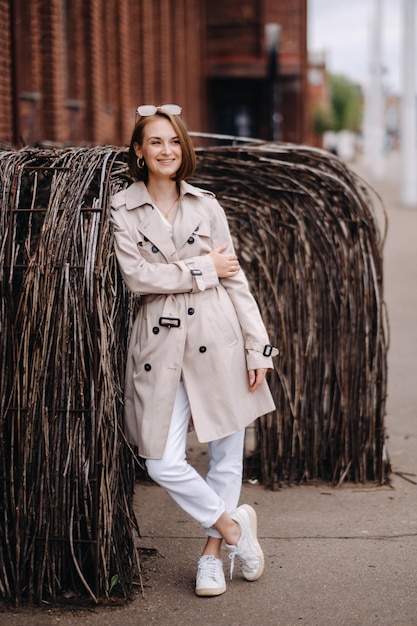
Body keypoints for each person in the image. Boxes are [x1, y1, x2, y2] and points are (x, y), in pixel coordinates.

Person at [111, 104, 278, 597]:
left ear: (184, 148)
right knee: (161, 459)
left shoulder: (206, 204)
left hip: (219, 335)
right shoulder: (123, 207)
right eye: (155, 142)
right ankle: (233, 530)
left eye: (174, 141)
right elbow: (136, 278)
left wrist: (258, 347)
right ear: (139, 151)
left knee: (227, 452)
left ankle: (211, 557)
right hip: (159, 345)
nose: (166, 150)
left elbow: (237, 279)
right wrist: (203, 268)